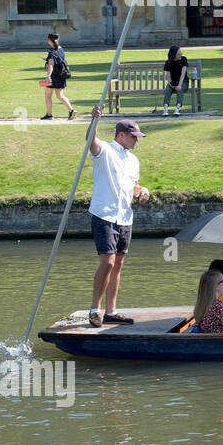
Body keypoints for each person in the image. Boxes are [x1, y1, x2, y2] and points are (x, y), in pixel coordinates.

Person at [86, 111, 150, 328]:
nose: (136, 141)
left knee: (118, 263)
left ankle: (111, 311)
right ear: (121, 135)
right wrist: (95, 120)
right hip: (104, 214)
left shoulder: (133, 161)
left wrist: (142, 191)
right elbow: (90, 141)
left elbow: (134, 186)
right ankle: (95, 309)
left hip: (125, 217)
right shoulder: (104, 150)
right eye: (133, 137)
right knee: (108, 261)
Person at [42, 33, 76, 121]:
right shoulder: (61, 49)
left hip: (54, 76)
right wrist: (47, 59)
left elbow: (51, 65)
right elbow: (58, 60)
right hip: (62, 75)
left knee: (48, 95)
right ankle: (71, 110)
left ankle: (49, 114)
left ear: (49, 40)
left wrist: (48, 76)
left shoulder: (51, 51)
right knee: (60, 95)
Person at [161, 45, 189, 117]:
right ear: (174, 55)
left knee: (180, 89)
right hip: (173, 82)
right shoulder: (168, 63)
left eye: (181, 53)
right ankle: (165, 108)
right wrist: (172, 85)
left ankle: (177, 108)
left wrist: (179, 85)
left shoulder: (183, 59)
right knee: (168, 89)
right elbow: (168, 78)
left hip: (183, 82)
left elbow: (183, 74)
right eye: (179, 54)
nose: (181, 55)